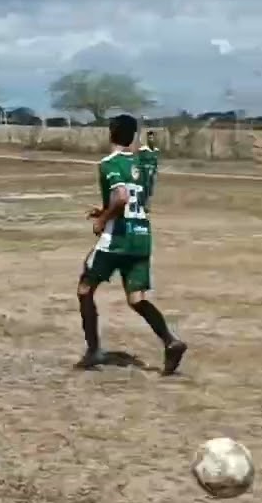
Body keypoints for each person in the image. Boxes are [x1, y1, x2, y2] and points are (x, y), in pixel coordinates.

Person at [76, 114, 187, 374]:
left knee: (84, 289)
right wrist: (104, 209)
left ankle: (93, 351)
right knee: (136, 298)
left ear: (111, 133)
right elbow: (141, 201)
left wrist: (103, 219)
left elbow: (123, 197)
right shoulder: (143, 163)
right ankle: (170, 341)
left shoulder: (109, 163)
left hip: (118, 239)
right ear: (133, 135)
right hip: (141, 237)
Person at [138, 130, 160, 209]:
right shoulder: (143, 150)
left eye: (152, 138)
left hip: (152, 172)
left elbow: (156, 163)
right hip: (144, 172)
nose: (151, 139)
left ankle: (148, 205)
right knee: (144, 187)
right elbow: (138, 162)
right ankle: (142, 204)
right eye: (149, 138)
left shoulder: (156, 151)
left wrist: (156, 171)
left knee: (150, 188)